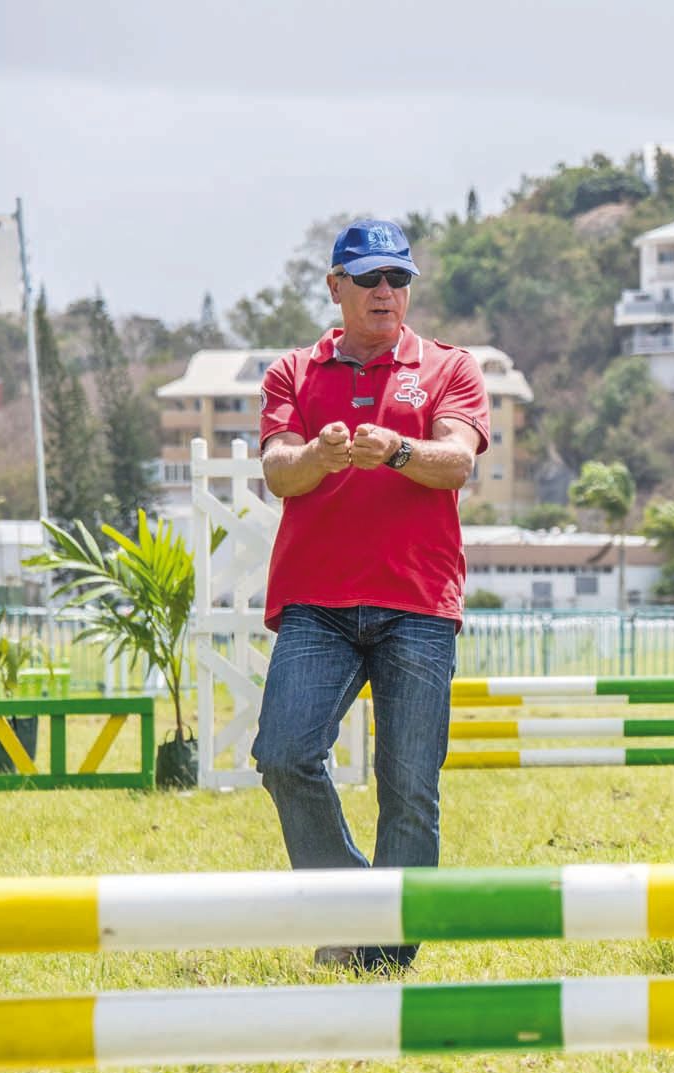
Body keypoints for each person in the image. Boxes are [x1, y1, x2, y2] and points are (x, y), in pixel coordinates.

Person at [250, 218, 489, 972]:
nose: (388, 292)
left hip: (418, 604)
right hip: (316, 604)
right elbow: (277, 471)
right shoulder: (292, 371)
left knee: (410, 785)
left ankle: (386, 955)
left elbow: (456, 463)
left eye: (400, 279)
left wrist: (399, 450)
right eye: (371, 279)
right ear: (336, 287)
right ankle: (354, 903)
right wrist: (318, 454)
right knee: (284, 753)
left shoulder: (450, 367)